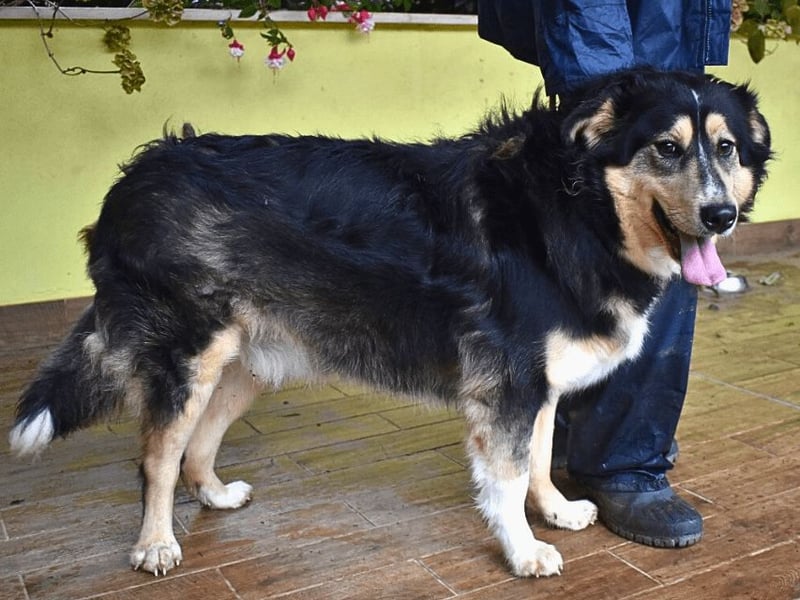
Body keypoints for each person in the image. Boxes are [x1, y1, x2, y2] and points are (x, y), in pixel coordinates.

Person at [476, 1, 732, 548]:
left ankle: (567, 433)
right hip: (609, 31)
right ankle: (623, 459)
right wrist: (611, 83)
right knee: (611, 214)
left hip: (652, 28)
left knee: (630, 230)